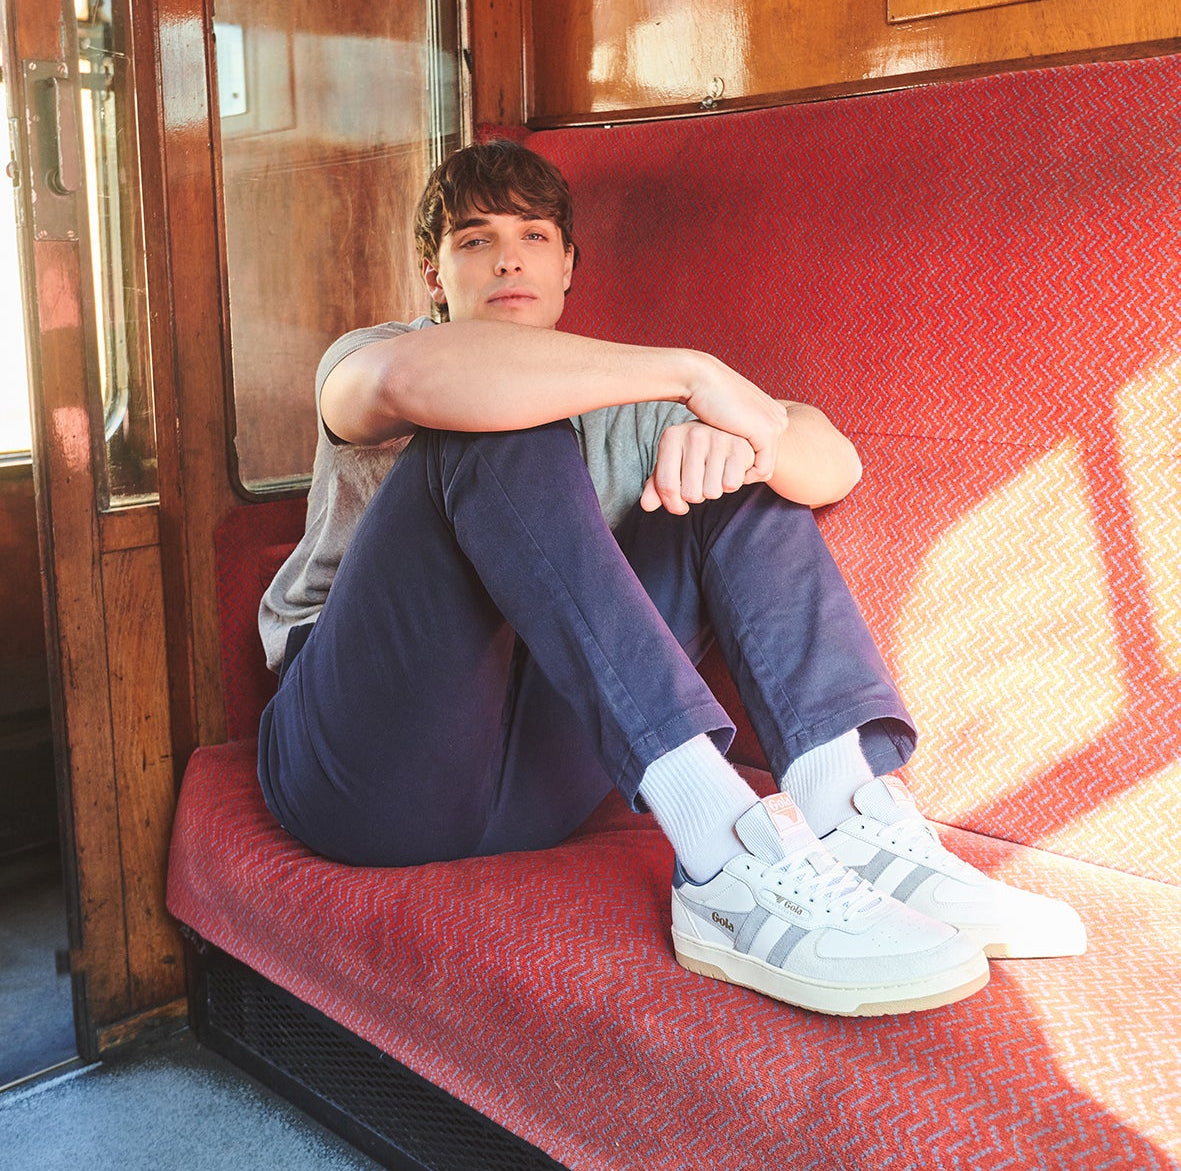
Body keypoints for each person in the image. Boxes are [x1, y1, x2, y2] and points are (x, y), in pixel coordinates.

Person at [257, 140, 1084, 1018]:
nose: (508, 256)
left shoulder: (618, 398)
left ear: (568, 265)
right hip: (358, 770)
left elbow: (830, 464)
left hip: (540, 776)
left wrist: (744, 434)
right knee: (489, 425)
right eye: (474, 239)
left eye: (534, 236)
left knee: (735, 470)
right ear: (433, 275)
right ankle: (723, 849)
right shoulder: (378, 356)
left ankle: (852, 818)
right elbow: (418, 380)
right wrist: (695, 374)